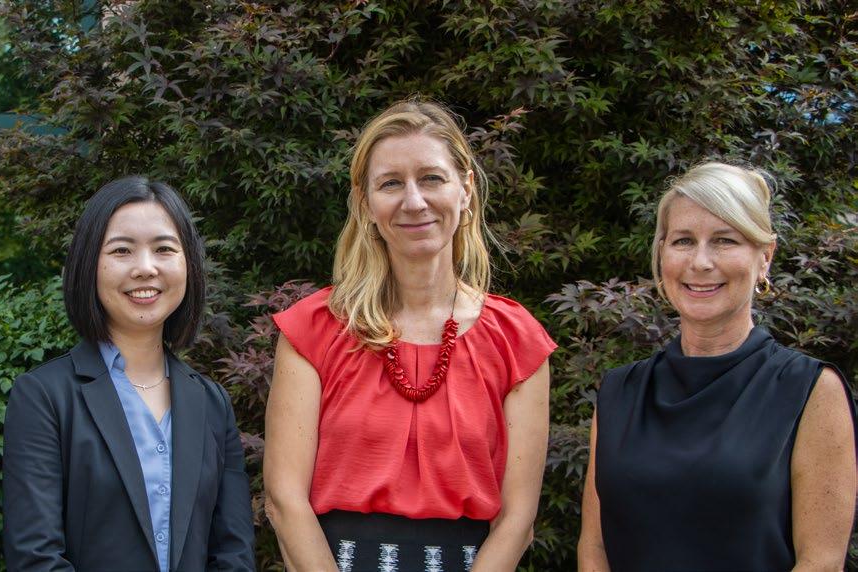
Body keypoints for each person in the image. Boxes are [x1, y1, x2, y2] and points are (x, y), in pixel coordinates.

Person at [264, 99, 556, 571]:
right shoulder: (314, 330)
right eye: (391, 183)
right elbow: (284, 500)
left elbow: (518, 519)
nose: (414, 201)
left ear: (465, 189)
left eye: (432, 178)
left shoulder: (515, 340)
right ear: (365, 203)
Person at [577, 162, 857, 570]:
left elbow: (821, 562)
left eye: (724, 240)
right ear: (662, 253)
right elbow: (594, 548)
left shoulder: (811, 390)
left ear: (765, 257)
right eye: (683, 241)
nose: (701, 262)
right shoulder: (620, 392)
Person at [2, 176, 256, 571]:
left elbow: (233, 554)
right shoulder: (44, 397)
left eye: (164, 249)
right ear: (89, 264)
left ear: (188, 264)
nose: (145, 268)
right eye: (122, 250)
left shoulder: (211, 403)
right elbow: (36, 558)